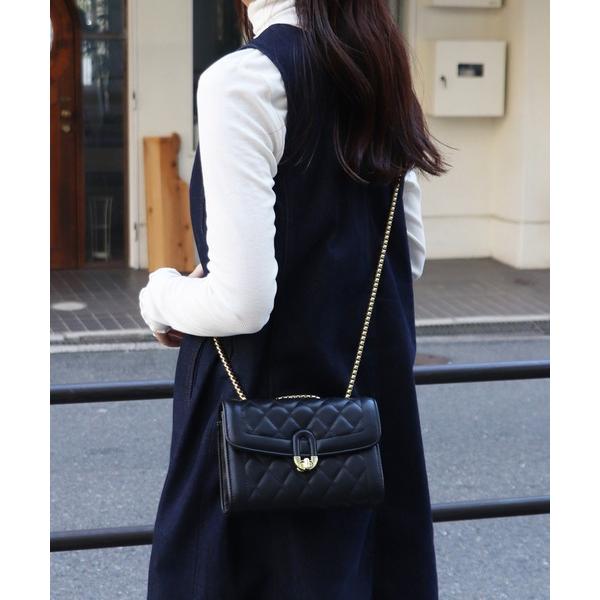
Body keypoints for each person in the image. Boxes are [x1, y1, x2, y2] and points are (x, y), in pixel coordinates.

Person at [139, 0, 447, 598]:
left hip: (254, 417)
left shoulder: (244, 79)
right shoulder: (378, 73)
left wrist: (161, 296)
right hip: (362, 413)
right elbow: (405, 256)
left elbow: (242, 302)